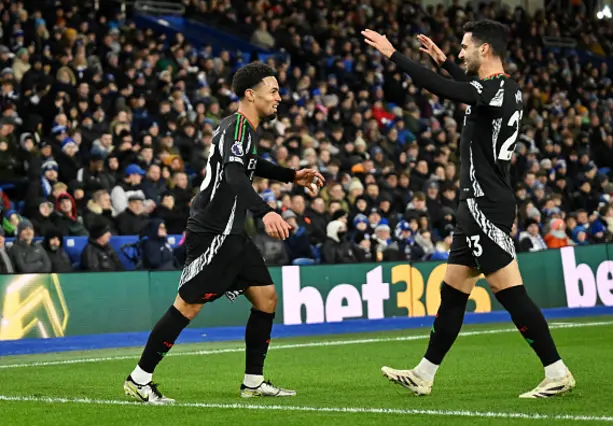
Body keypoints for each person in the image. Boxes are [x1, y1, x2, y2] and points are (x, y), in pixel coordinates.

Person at [362, 20, 575, 398]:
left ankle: (556, 371)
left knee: (508, 291)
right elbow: (463, 86)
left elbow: (448, 90)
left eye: (464, 47)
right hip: (475, 203)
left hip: (484, 203)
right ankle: (424, 374)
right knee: (453, 291)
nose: (460, 52)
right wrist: (444, 61)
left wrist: (393, 54)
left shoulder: (497, 89)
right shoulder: (501, 90)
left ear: (485, 50)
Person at [124, 62, 325, 404]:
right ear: (251, 94)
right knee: (187, 307)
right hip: (214, 233)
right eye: (273, 90)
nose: (279, 97)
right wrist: (265, 210)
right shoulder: (237, 129)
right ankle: (138, 379)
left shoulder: (241, 129)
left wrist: (292, 176)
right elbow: (234, 175)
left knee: (266, 299)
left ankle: (253, 382)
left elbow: (250, 164)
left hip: (232, 234)